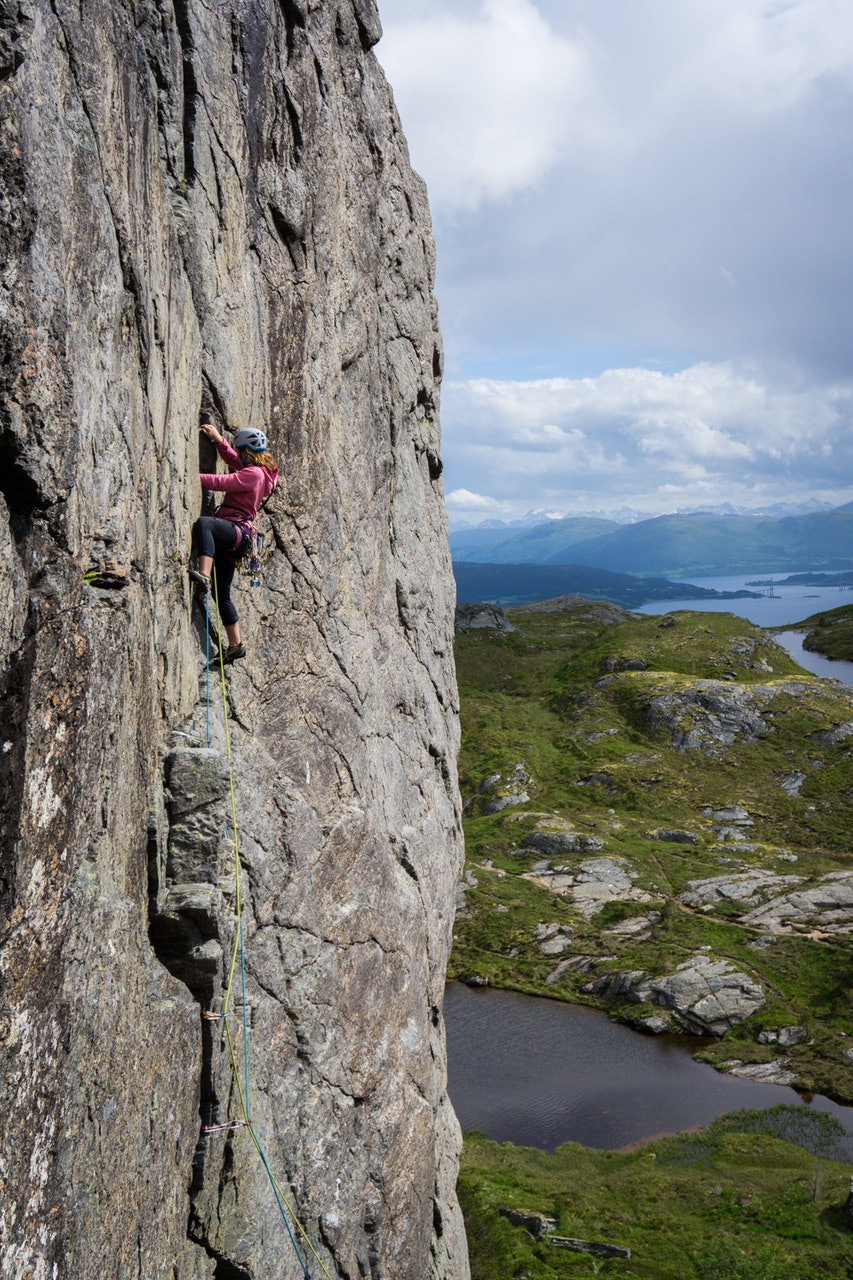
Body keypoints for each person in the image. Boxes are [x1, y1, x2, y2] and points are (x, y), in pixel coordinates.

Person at [189, 422, 279, 664]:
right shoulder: (262, 474)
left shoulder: (252, 474)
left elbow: (221, 482)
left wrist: (188, 477)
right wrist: (220, 441)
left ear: (246, 451)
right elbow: (232, 461)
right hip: (239, 539)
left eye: (240, 451)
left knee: (204, 524)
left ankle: (203, 574)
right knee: (223, 595)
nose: (237, 454)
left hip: (235, 531)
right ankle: (235, 645)